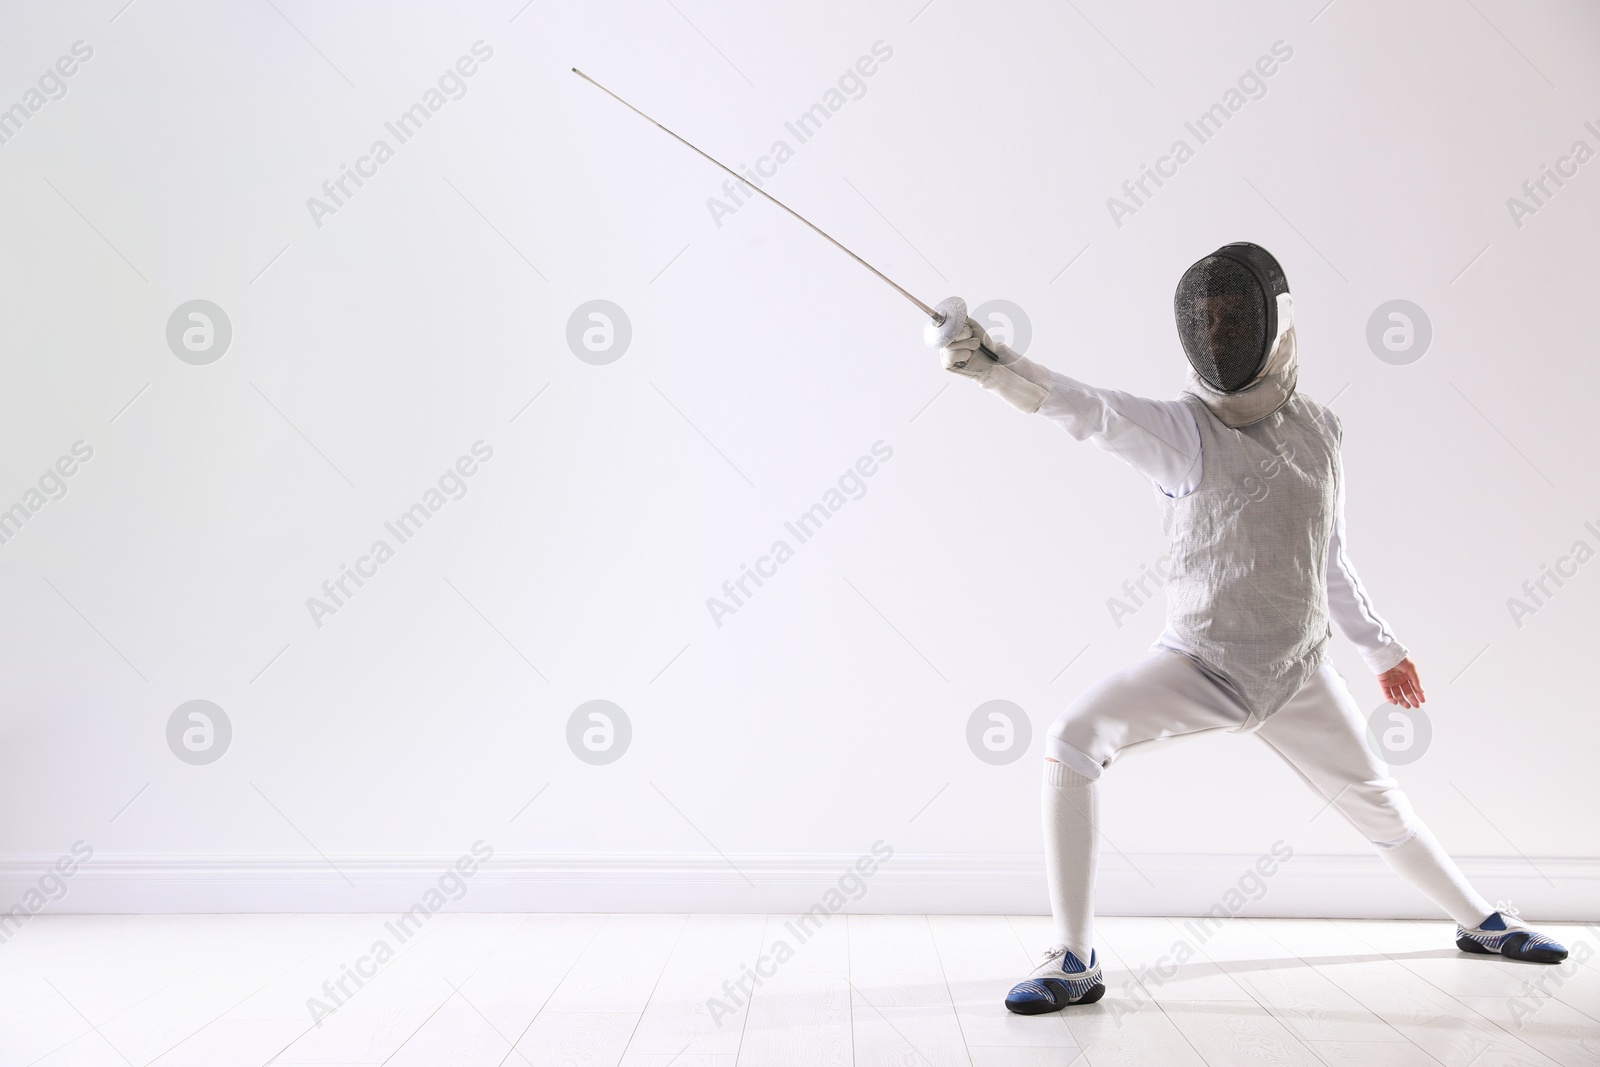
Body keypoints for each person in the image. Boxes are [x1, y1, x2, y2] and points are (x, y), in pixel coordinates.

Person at [924, 243, 1569, 1015]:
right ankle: (1074, 958)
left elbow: (1326, 553)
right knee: (1072, 736)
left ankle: (1483, 923)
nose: (1221, 331)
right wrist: (993, 364)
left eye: (1235, 314)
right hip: (1199, 665)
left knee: (1382, 806)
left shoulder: (1323, 432)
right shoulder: (1182, 430)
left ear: (1277, 321)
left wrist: (1381, 648)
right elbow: (1087, 409)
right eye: (1208, 318)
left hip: (1298, 672)